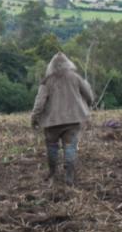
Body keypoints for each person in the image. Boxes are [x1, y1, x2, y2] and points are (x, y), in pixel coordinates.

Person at [31, 52, 95, 186]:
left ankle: (52, 173)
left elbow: (39, 103)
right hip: (73, 119)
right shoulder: (75, 77)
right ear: (68, 64)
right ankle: (69, 176)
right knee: (70, 147)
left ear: (51, 66)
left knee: (52, 147)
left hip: (51, 122)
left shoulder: (47, 81)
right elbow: (88, 95)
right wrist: (88, 105)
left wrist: (34, 118)